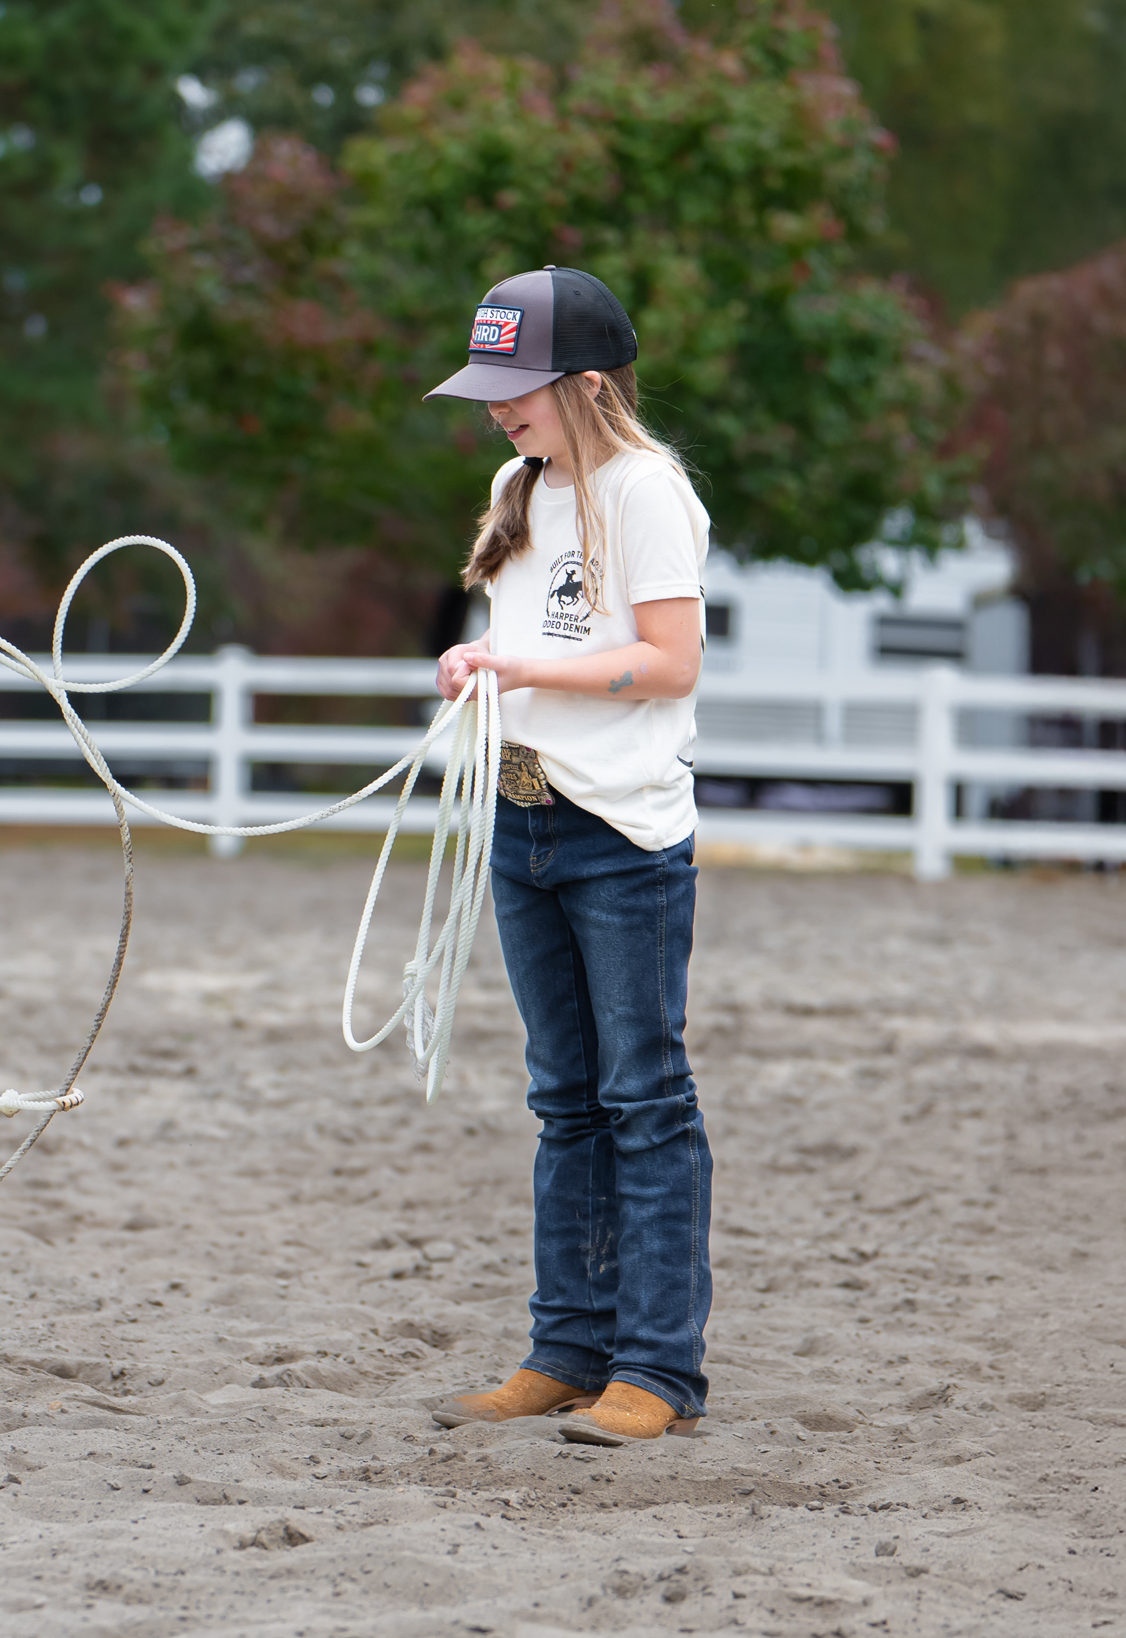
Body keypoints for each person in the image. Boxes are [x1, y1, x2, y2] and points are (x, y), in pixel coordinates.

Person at [423, 266, 714, 1448]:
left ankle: (655, 1367)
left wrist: (521, 672)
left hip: (620, 832)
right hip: (523, 810)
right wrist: (475, 665)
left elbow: (669, 662)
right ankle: (565, 1348)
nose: (497, 409)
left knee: (640, 1094)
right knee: (563, 1098)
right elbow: (520, 629)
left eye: (517, 387)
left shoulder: (649, 491)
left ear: (584, 384)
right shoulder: (519, 484)